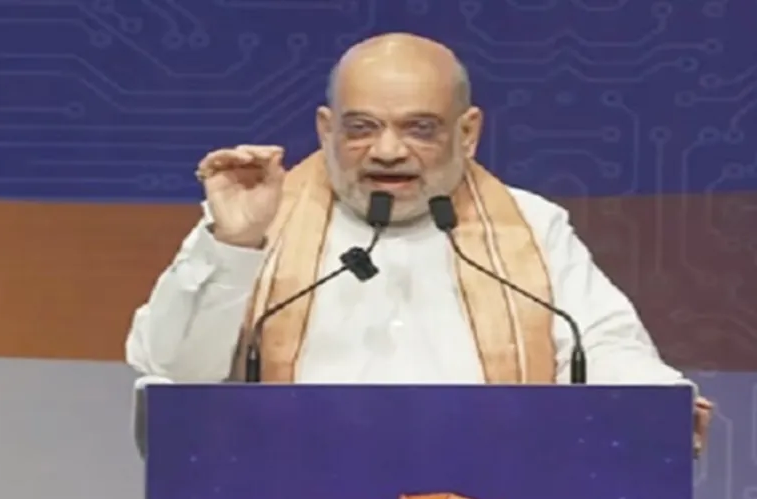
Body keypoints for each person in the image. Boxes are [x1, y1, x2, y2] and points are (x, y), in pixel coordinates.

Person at [124, 33, 712, 452]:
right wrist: (234, 247)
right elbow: (174, 374)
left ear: (468, 133)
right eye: (361, 128)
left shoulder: (531, 227)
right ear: (326, 130)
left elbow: (603, 344)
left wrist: (656, 404)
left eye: (419, 129)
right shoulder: (257, 222)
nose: (387, 151)